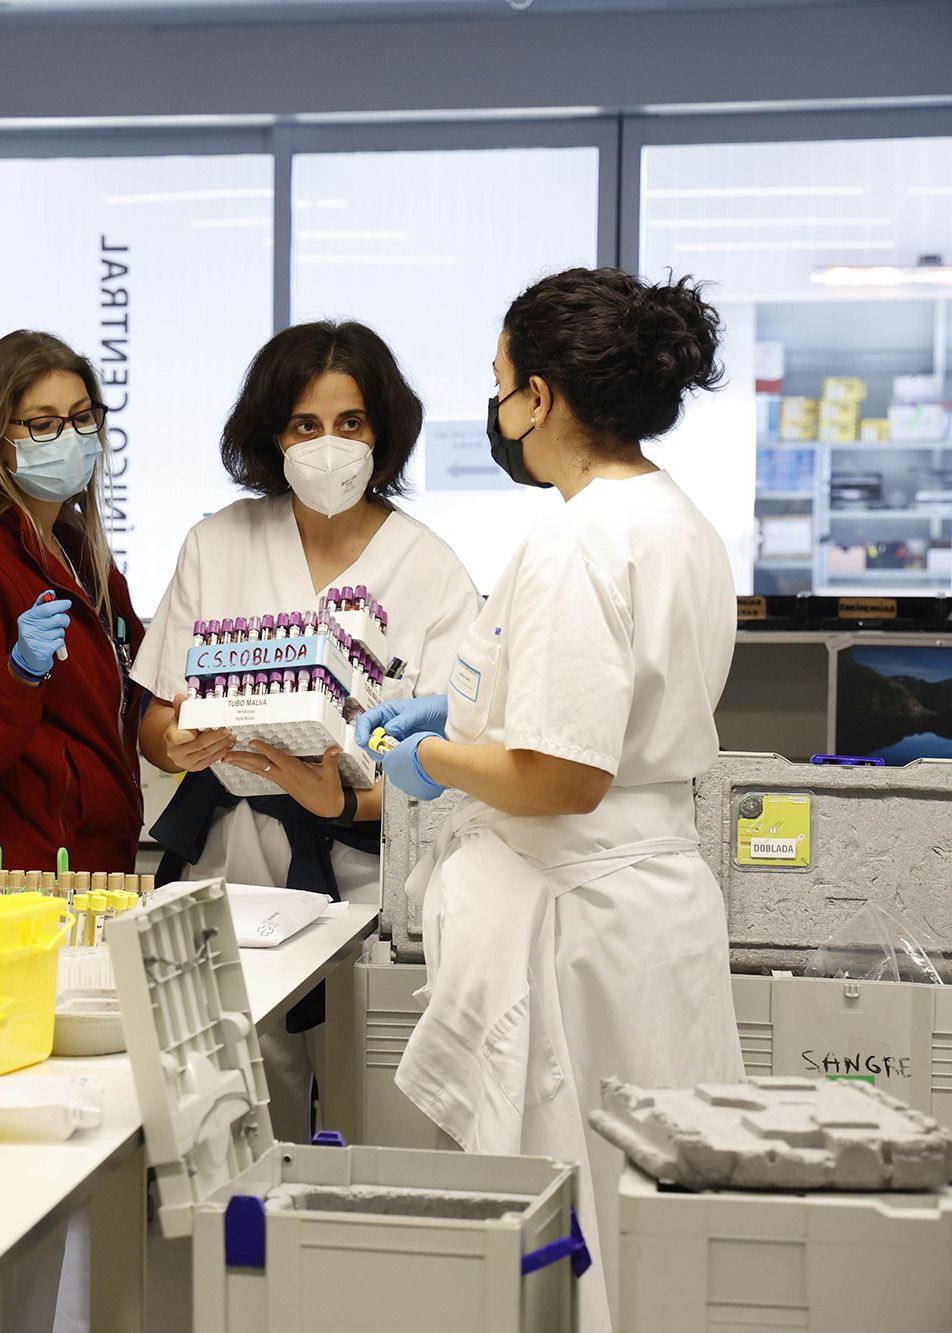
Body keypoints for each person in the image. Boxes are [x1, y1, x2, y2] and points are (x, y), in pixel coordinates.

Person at [360, 267, 741, 1333]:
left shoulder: (578, 539)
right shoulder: (672, 518)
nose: (495, 412)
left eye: (497, 385)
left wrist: (433, 759)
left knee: (578, 1245)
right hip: (644, 913)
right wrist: (467, 710)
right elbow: (601, 715)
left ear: (542, 396)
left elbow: (564, 777)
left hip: (578, 928)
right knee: (646, 1232)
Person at [132, 321, 479, 1139]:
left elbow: (449, 762)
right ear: (272, 435)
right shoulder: (218, 543)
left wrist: (342, 803)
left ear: (382, 432)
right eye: (305, 425)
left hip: (371, 885)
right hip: (228, 876)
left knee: (378, 1133)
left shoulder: (430, 570)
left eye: (350, 423)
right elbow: (152, 717)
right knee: (234, 1134)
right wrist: (172, 741)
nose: (329, 446)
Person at [0, 329, 144, 874]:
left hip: (87, 860)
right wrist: (19, 675)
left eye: (84, 418)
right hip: (14, 873)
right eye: (43, 424)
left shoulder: (80, 549)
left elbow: (135, 675)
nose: (71, 437)